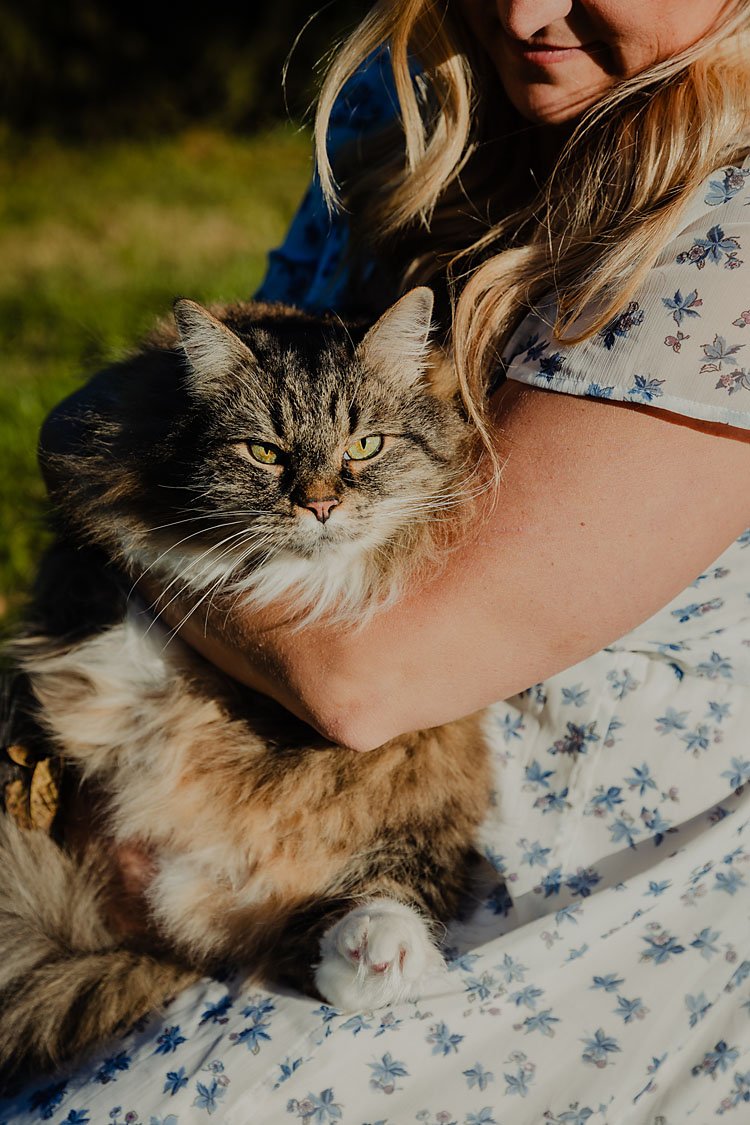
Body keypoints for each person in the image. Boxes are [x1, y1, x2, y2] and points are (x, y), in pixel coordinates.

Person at [6, 1, 750, 1120]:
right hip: (177, 771)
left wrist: (95, 461)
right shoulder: (404, 107)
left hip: (532, 884)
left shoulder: (731, 228)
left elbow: (363, 680)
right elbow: (229, 376)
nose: (526, 12)